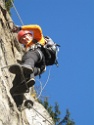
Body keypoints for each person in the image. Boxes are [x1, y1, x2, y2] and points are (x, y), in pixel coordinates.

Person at [10, 24, 59, 94]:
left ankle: (28, 66)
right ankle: (21, 87)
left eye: (24, 36)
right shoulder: (26, 47)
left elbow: (37, 27)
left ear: (30, 35)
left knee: (28, 56)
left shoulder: (37, 38)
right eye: (21, 40)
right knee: (25, 72)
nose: (24, 39)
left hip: (39, 54)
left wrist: (20, 28)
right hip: (40, 67)